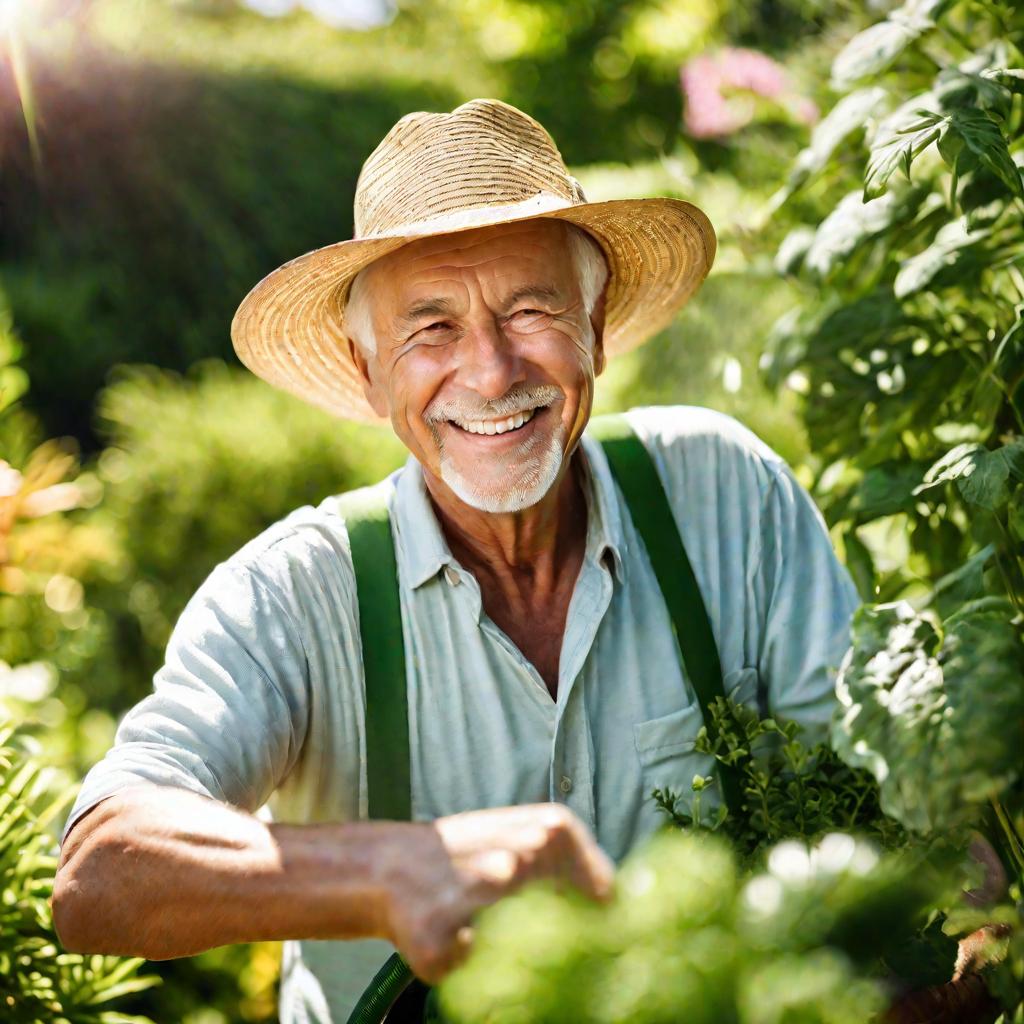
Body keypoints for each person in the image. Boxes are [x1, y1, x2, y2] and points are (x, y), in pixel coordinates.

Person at [53, 99, 859, 1022]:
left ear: (594, 325)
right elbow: (99, 875)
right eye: (430, 328)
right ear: (368, 374)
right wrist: (394, 867)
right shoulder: (294, 594)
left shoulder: (726, 496)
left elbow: (868, 795)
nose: (489, 372)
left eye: (531, 308)